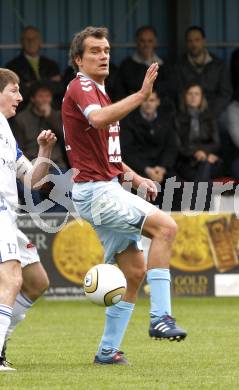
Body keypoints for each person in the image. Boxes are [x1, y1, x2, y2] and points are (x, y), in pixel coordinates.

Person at [62, 26, 187, 366]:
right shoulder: (81, 86)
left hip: (105, 187)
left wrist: (135, 177)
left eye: (105, 49)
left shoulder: (100, 91)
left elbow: (109, 154)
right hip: (97, 191)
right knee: (166, 227)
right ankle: (161, 316)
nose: (103, 55)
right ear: (78, 59)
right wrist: (141, 93)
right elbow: (100, 121)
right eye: (94, 51)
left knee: (133, 272)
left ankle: (107, 351)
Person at [0, 68, 57, 371]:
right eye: (14, 90)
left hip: (8, 217)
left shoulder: (7, 132)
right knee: (11, 278)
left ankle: (1, 344)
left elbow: (33, 180)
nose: (20, 97)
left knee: (36, 281)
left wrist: (45, 150)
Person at [12, 81, 70, 211]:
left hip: (57, 166)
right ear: (32, 98)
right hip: (31, 165)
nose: (45, 99)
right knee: (28, 189)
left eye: (47, 96)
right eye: (41, 96)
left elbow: (67, 139)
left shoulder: (58, 115)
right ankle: (37, 223)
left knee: (69, 189)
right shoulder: (21, 118)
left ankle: (54, 222)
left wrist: (49, 116)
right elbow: (18, 147)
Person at [120, 90, 178, 209]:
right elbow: (127, 151)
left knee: (175, 184)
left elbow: (171, 147)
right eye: (145, 100)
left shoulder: (166, 121)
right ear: (140, 102)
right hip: (139, 168)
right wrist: (147, 170)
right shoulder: (129, 121)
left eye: (152, 100)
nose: (148, 104)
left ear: (158, 102)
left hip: (161, 169)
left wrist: (162, 168)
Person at [174, 83, 222, 210]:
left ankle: (196, 209)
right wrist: (195, 153)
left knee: (205, 165)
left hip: (209, 160)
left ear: (202, 97)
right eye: (190, 93)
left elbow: (216, 143)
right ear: (184, 97)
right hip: (186, 162)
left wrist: (204, 153)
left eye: (197, 94)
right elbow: (177, 146)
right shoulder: (177, 118)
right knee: (204, 170)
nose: (193, 97)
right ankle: (204, 210)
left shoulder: (210, 117)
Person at [175, 26, 232, 119]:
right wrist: (188, 111)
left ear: (203, 41)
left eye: (197, 40)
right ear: (186, 43)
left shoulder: (218, 64)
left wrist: (210, 114)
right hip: (187, 112)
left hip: (215, 112)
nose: (194, 44)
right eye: (190, 41)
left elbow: (225, 93)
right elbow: (178, 92)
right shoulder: (178, 65)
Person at [5, 26, 63, 109]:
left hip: (51, 110)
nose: (31, 42)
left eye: (34, 38)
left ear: (40, 42)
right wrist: (48, 82)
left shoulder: (51, 65)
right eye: (27, 39)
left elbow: (60, 88)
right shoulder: (12, 66)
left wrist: (30, 85)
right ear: (22, 42)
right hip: (25, 111)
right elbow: (17, 92)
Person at [116, 25, 174, 101]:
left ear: (155, 42)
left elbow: (170, 89)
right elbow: (120, 92)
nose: (146, 45)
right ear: (137, 42)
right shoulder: (126, 65)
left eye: (150, 41)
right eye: (142, 41)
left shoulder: (165, 65)